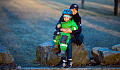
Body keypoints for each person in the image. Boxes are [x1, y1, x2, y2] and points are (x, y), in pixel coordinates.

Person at [55, 4, 84, 68]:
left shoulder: (77, 18)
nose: (73, 11)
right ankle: (63, 61)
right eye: (72, 9)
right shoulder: (65, 15)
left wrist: (71, 31)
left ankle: (69, 61)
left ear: (77, 11)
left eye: (75, 10)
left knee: (68, 41)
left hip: (74, 35)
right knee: (61, 39)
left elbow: (79, 30)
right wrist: (61, 29)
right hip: (64, 33)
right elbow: (57, 26)